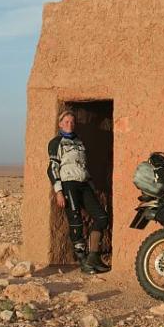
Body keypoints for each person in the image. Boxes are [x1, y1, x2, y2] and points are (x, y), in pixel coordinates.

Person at [47, 110, 110, 274]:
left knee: (102, 217)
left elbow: (82, 166)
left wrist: (91, 185)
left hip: (83, 184)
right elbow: (52, 168)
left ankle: (93, 257)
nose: (69, 124)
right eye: (66, 122)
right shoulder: (56, 142)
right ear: (60, 124)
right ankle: (83, 262)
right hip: (68, 185)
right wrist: (58, 191)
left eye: (72, 122)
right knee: (76, 222)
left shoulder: (79, 142)